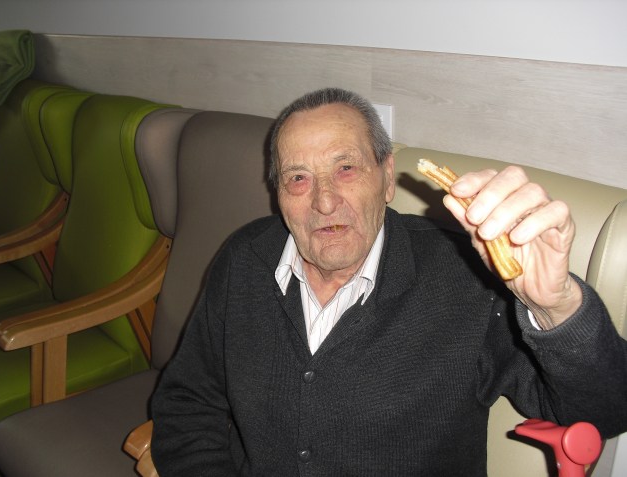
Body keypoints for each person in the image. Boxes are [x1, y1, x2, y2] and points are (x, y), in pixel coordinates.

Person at [150, 87, 627, 476]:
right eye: (298, 178)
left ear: (387, 177)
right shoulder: (245, 260)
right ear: (278, 194)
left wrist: (555, 306)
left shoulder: (467, 280)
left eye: (345, 168)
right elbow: (188, 402)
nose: (324, 201)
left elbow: (605, 412)